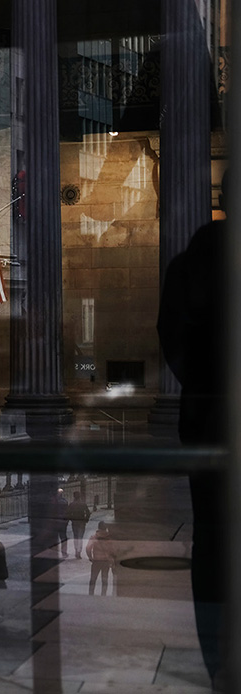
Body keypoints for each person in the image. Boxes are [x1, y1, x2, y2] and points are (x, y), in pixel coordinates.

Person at [157, 170, 229, 689]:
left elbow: (173, 338)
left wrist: (207, 386)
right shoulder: (200, 259)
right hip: (211, 413)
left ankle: (220, 665)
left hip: (209, 419)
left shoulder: (195, 261)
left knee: (213, 543)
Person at [86, 521, 116, 596]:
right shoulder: (109, 538)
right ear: (106, 528)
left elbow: (88, 548)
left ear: (98, 527)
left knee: (93, 579)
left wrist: (90, 557)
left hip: (96, 560)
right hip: (105, 561)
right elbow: (113, 550)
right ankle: (103, 595)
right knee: (104, 579)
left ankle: (91, 594)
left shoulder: (94, 537)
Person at [66, 491, 91, 559]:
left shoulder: (71, 504)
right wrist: (86, 519)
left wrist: (71, 519)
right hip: (82, 522)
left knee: (76, 537)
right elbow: (88, 513)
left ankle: (76, 550)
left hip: (74, 522)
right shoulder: (83, 504)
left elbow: (68, 513)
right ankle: (79, 552)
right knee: (80, 538)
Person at [55, 489, 70, 558]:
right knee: (63, 538)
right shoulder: (64, 502)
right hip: (63, 522)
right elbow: (67, 512)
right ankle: (64, 552)